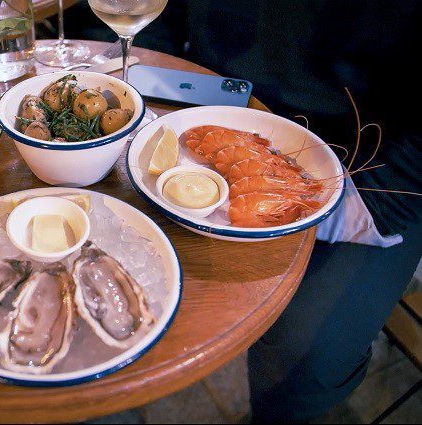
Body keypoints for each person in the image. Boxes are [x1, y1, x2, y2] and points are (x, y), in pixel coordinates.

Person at [68, 0, 421, 421]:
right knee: (86, 266)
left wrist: (355, 207)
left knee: (305, 356)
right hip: (207, 98)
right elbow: (156, 17)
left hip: (372, 171)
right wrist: (141, 76)